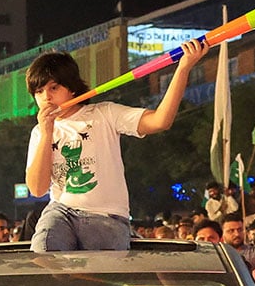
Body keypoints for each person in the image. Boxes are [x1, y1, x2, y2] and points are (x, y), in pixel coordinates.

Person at [24, 41, 209, 252]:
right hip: (62, 212)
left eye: (53, 88)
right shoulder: (39, 132)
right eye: (39, 92)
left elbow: (160, 121)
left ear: (72, 87)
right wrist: (47, 132)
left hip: (107, 216)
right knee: (43, 258)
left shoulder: (104, 114)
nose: (46, 97)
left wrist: (184, 67)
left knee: (103, 282)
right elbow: (37, 189)